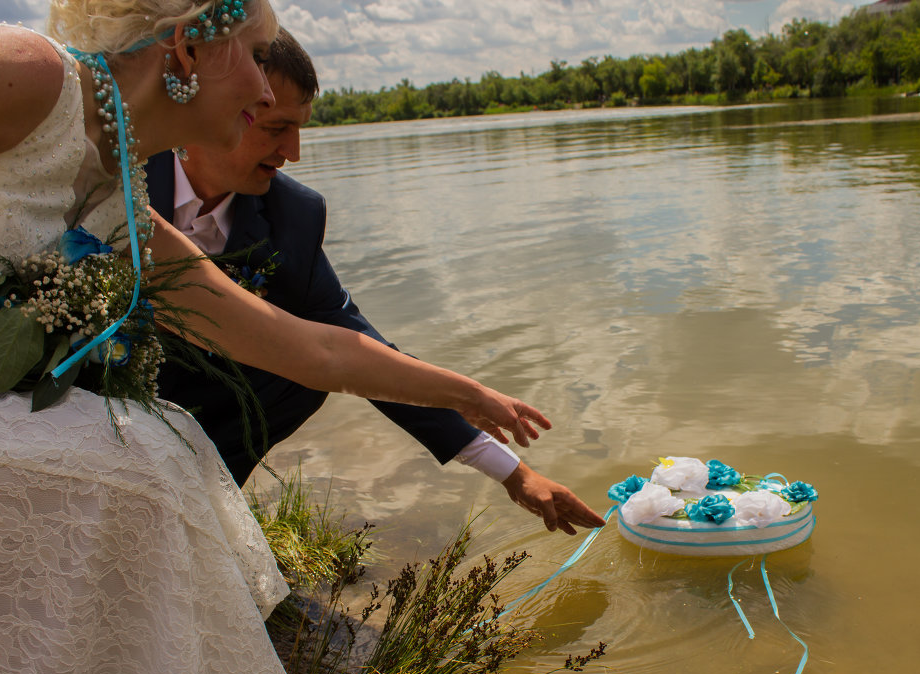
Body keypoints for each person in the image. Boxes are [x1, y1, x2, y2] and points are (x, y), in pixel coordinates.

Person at [0, 2, 559, 674]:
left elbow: (310, 346)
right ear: (187, 45)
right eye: (258, 54)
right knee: (128, 459)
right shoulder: (28, 76)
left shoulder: (117, 203)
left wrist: (474, 394)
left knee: (153, 451)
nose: (267, 98)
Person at [149, 29, 606, 535]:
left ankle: (201, 506)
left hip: (198, 419)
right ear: (223, 104)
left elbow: (359, 347)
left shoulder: (292, 216)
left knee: (301, 377)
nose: (293, 153)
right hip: (78, 402)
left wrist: (513, 473)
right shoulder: (118, 176)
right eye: (277, 127)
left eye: (300, 129)